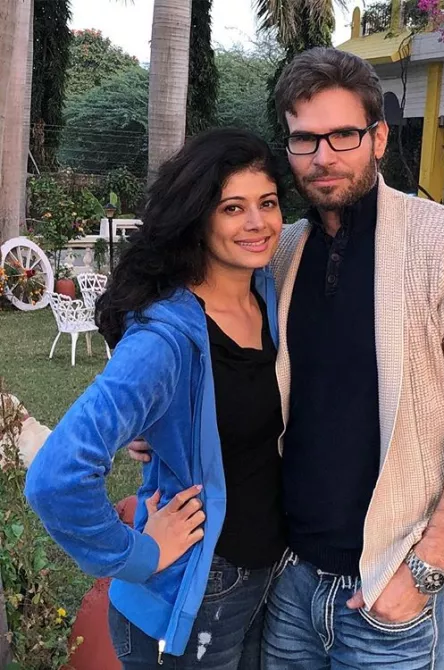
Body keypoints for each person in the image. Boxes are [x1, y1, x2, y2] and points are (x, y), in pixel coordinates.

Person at [131, 47, 444, 669]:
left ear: (379, 138)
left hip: (390, 585)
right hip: (288, 581)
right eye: (305, 139)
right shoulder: (282, 252)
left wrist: (425, 569)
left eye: (343, 135)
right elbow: (231, 359)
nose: (323, 157)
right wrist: (166, 418)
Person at [25, 128, 287, 669]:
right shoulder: (163, 341)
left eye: (267, 203)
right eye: (232, 208)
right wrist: (138, 553)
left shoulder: (266, 296)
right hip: (195, 590)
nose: (257, 222)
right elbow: (56, 476)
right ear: (198, 219)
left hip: (263, 580)